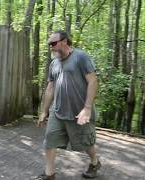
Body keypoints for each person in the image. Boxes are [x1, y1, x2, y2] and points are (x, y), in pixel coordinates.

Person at [36, 30, 100, 180]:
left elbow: (93, 81)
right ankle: (49, 174)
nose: (50, 46)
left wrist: (87, 108)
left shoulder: (80, 57)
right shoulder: (54, 63)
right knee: (50, 141)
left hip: (80, 112)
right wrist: (44, 111)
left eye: (53, 43)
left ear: (64, 41)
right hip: (58, 112)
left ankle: (94, 162)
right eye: (49, 44)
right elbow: (50, 88)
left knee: (86, 143)